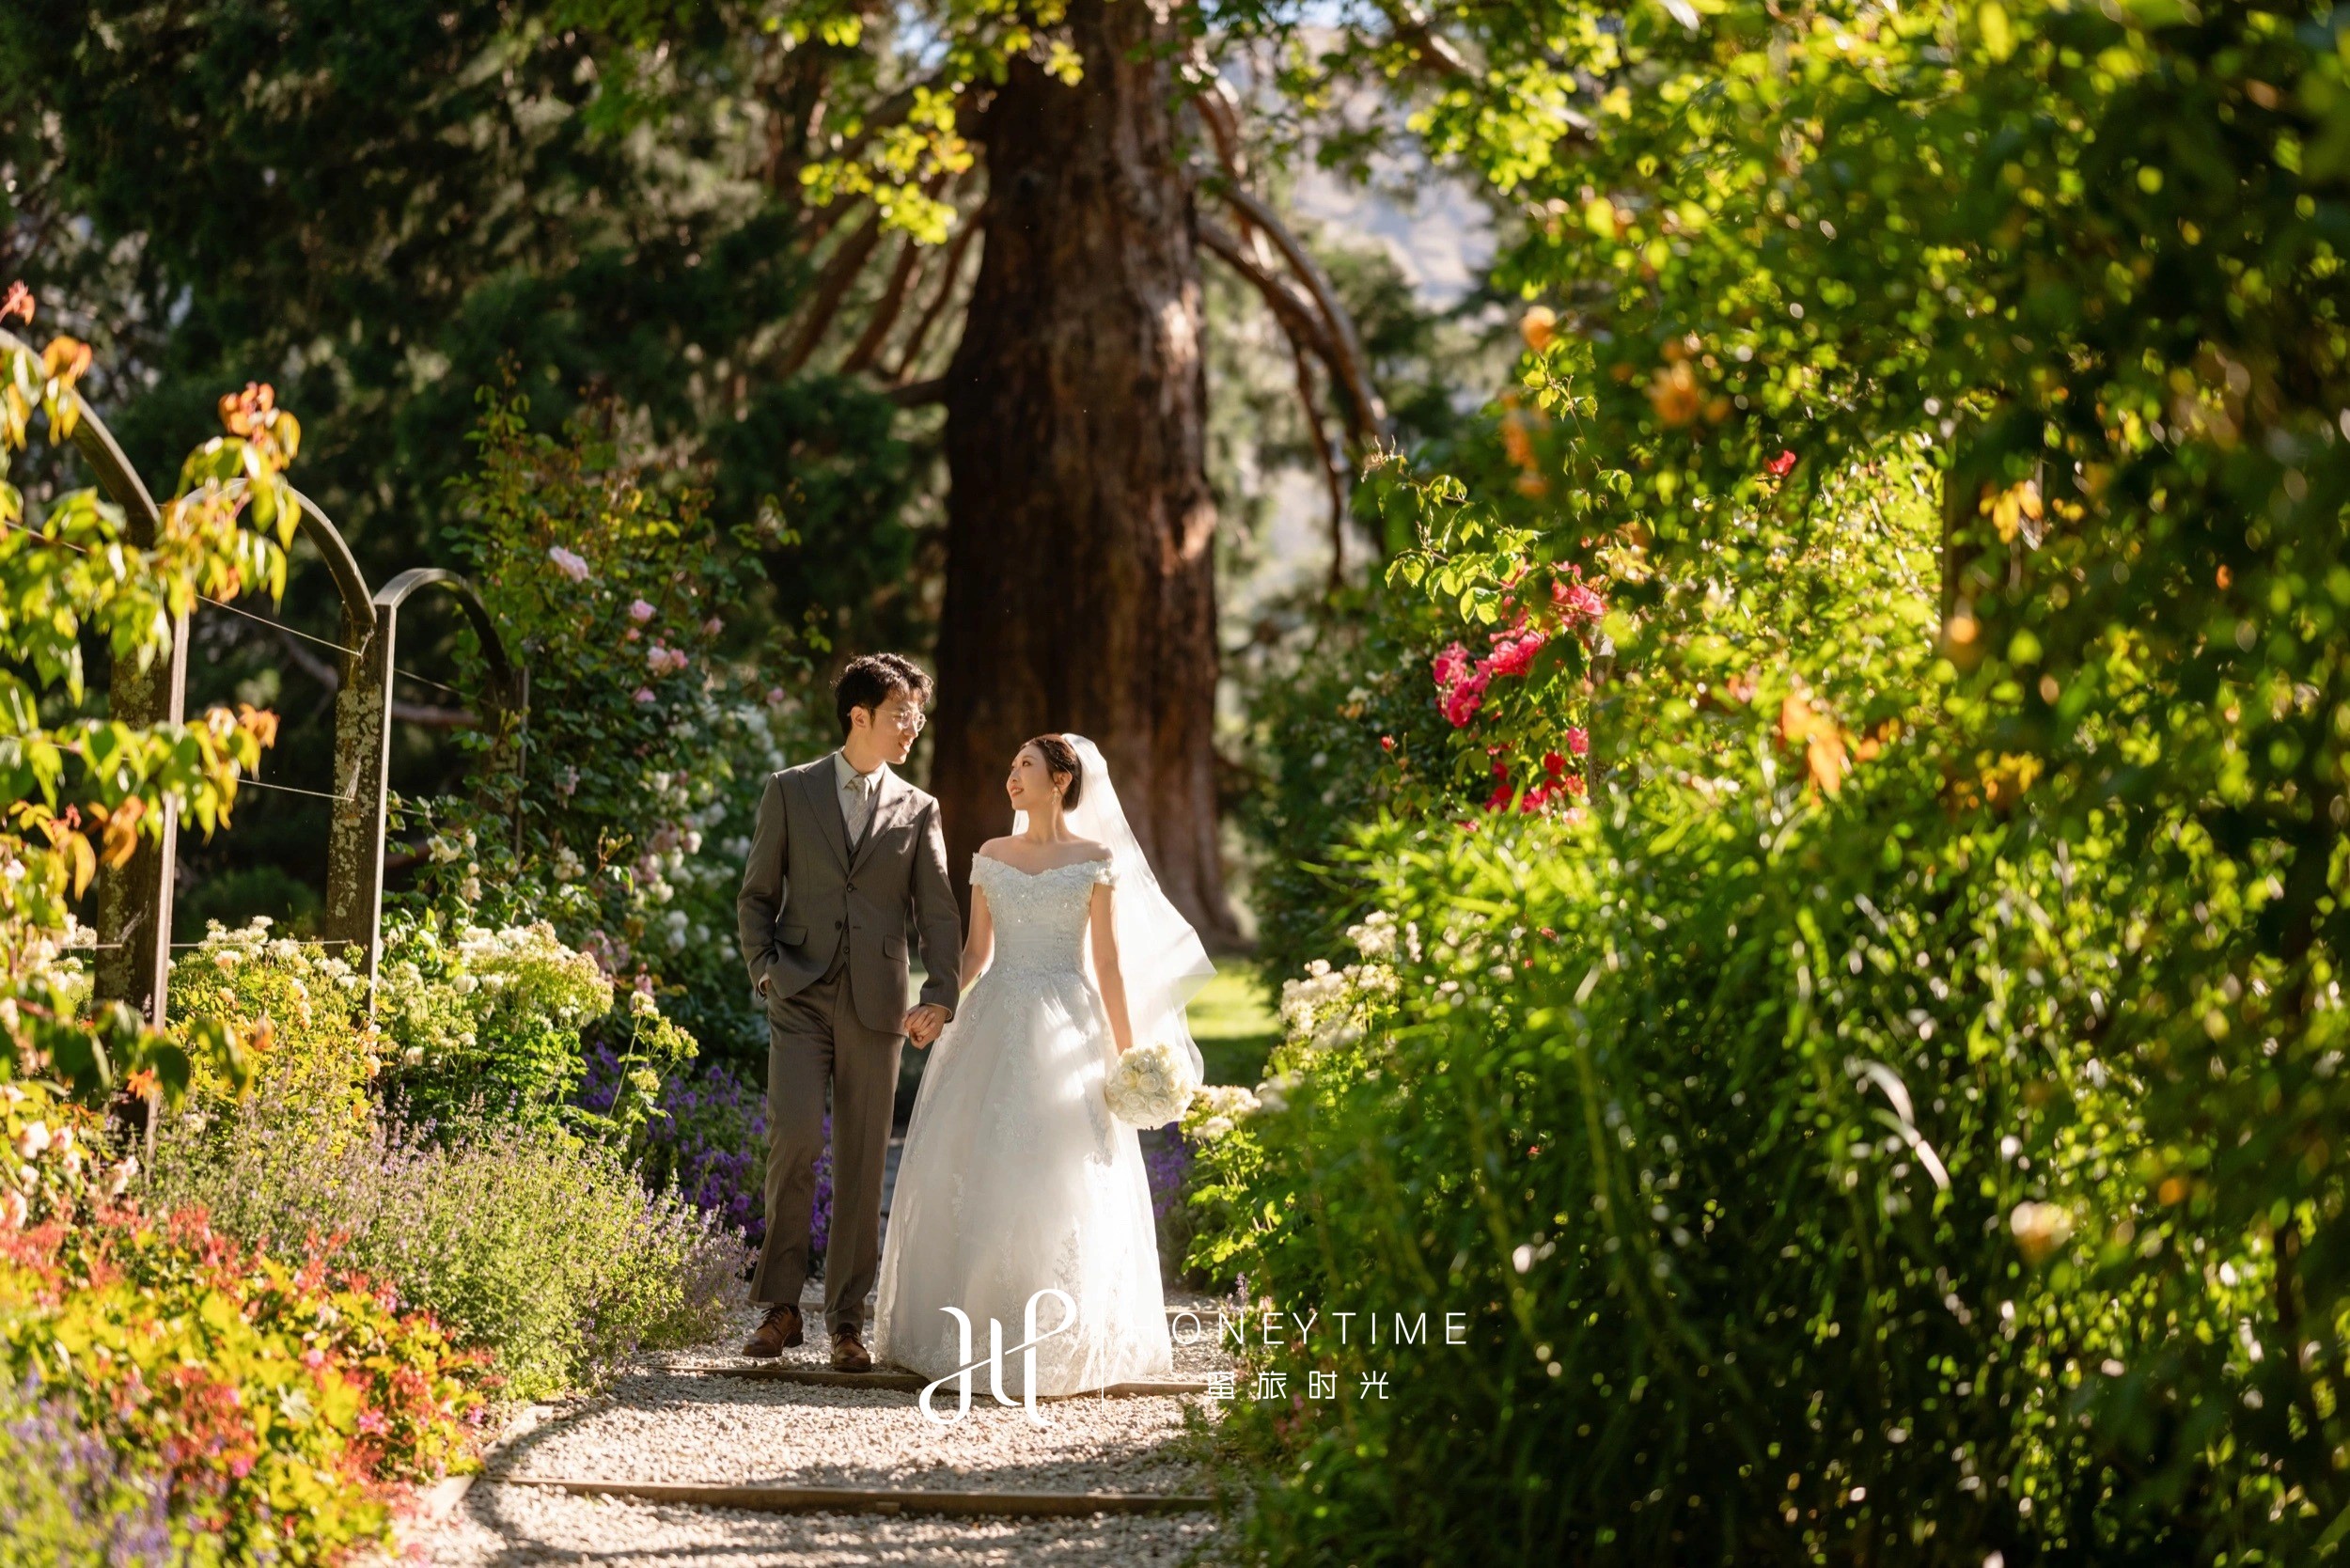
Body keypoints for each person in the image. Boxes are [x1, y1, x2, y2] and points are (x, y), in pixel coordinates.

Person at [873, 733, 1214, 1396]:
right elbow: (975, 953)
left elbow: (1109, 964)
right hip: (996, 1015)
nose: (1012, 776)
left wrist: (1130, 1052)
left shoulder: (1094, 860)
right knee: (984, 1161)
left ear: (1061, 780)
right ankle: (973, 1324)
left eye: (1024, 765)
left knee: (1064, 1167)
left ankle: (1062, 1329)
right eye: (1010, 766)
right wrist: (939, 1002)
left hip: (1071, 1018)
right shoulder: (991, 856)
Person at [734, 653, 963, 1371]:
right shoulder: (791, 791)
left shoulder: (919, 808)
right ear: (859, 716)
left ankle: (845, 1321)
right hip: (798, 995)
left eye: (917, 714)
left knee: (864, 1163)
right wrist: (766, 972)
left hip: (877, 1004)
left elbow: (938, 910)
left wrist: (940, 995)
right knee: (796, 1140)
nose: (913, 726)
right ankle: (779, 1309)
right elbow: (755, 896)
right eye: (901, 713)